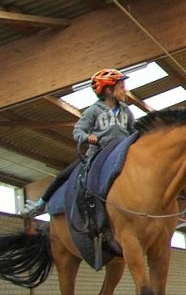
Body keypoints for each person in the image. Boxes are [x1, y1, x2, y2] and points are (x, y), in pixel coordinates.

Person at [21, 68, 136, 218]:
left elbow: (133, 131)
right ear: (108, 91)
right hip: (97, 154)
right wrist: (87, 137)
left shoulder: (126, 111)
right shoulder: (93, 111)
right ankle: (41, 203)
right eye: (121, 87)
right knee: (63, 176)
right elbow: (78, 131)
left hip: (121, 153)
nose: (125, 91)